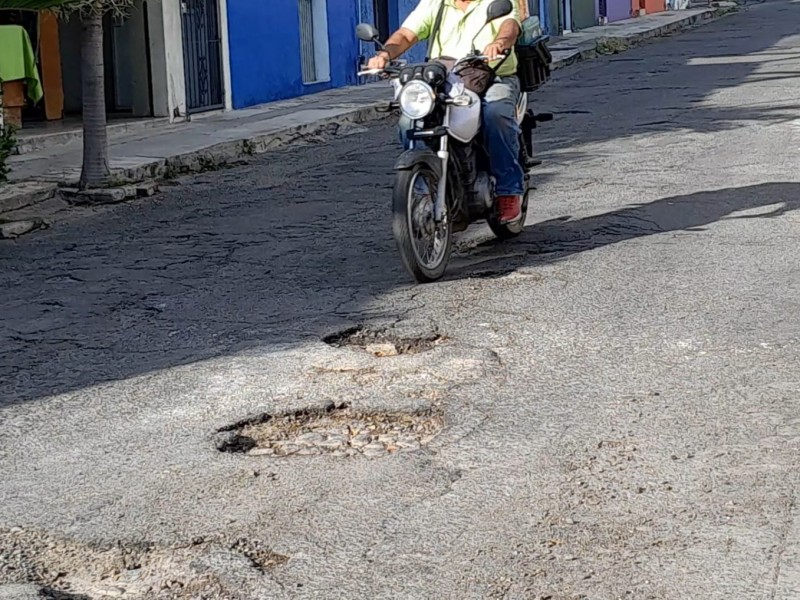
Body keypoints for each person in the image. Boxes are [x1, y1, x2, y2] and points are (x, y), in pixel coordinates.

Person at [368, 0, 525, 224]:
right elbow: (406, 34)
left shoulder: (496, 2)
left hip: (493, 75)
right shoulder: (435, 3)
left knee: (495, 114)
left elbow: (509, 26)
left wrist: (499, 44)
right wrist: (385, 55)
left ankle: (508, 190)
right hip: (446, 78)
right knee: (408, 121)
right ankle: (423, 190)